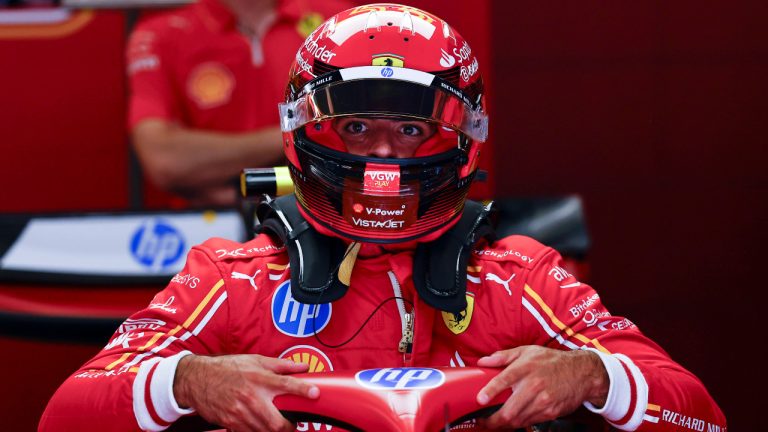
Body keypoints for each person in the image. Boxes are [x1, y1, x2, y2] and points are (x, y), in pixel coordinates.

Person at [42, 4, 726, 431]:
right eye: (357, 125)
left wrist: (594, 376)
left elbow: (698, 414)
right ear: (304, 132)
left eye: (410, 129)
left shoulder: (520, 277)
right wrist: (186, 381)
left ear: (462, 137)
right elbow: (66, 415)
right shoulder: (231, 280)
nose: (381, 155)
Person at [126, 0, 350, 207]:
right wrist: (299, 136)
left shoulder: (342, 21)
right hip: (210, 232)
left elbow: (368, 134)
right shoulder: (161, 34)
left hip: (328, 221)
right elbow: (164, 159)